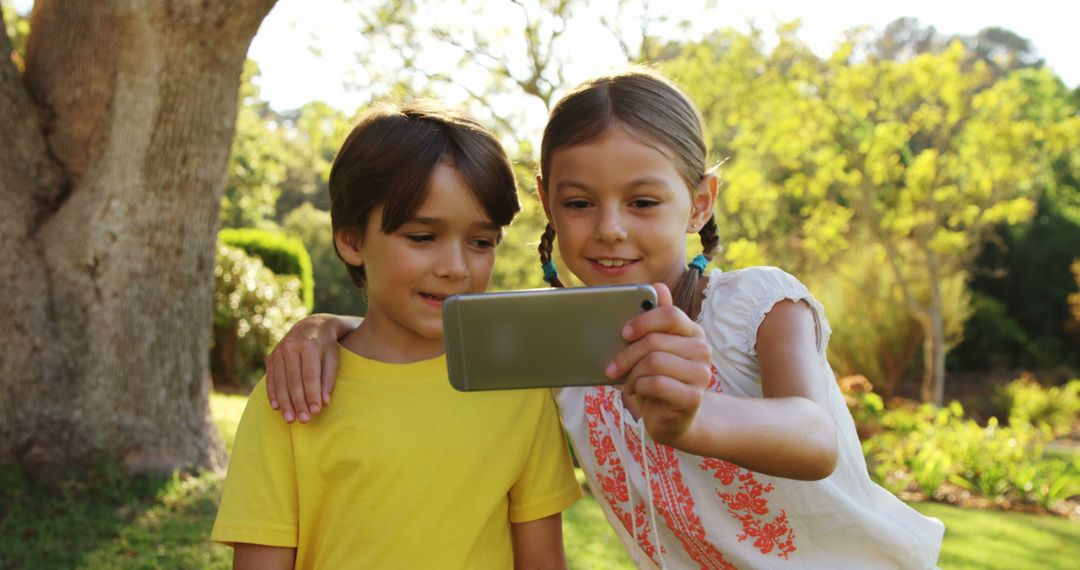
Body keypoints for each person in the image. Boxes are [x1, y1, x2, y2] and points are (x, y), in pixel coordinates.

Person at [265, 68, 945, 569]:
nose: (610, 229)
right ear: (546, 203)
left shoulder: (759, 305)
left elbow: (815, 434)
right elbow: (424, 327)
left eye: (644, 202)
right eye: (580, 202)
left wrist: (694, 420)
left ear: (701, 202)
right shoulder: (552, 343)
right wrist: (327, 326)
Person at [211, 102, 582, 570]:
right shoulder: (292, 392)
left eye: (481, 242)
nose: (454, 267)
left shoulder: (518, 389)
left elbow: (543, 562)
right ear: (351, 240)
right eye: (422, 237)